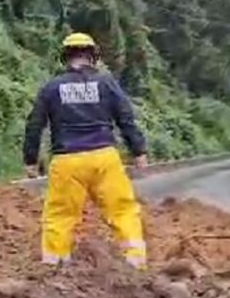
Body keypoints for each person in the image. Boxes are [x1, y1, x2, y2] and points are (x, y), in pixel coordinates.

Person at [23, 32, 149, 268]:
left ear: (65, 57)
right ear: (92, 56)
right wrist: (138, 150)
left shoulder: (51, 87)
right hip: (104, 158)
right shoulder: (106, 83)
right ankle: (135, 263)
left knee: (60, 216)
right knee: (122, 210)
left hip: (67, 162)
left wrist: (30, 160)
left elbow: (34, 124)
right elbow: (125, 118)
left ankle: (54, 266)